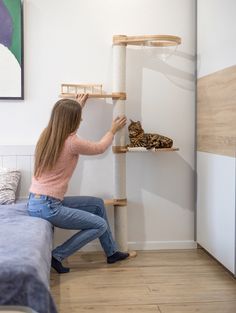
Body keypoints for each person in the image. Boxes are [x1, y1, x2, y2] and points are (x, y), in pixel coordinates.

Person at [27, 94, 129, 274]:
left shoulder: (48, 134)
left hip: (38, 202)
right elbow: (99, 148)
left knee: (97, 204)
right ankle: (57, 255)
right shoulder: (72, 142)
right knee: (99, 225)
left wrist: (77, 105)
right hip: (49, 206)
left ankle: (111, 252)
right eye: (78, 117)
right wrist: (112, 130)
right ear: (71, 120)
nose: (81, 119)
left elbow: (64, 117)